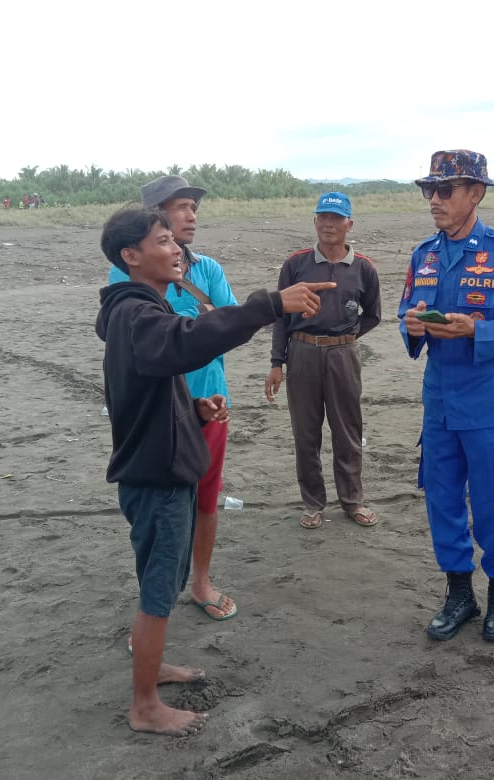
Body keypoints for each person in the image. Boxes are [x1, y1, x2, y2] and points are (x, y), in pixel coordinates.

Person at [97, 207, 333, 736]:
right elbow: (188, 339)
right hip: (155, 478)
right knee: (159, 591)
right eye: (162, 240)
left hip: (162, 466)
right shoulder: (136, 315)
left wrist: (194, 409)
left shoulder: (141, 309)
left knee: (167, 579)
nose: (175, 249)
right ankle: (145, 707)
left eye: (174, 240)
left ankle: (153, 667)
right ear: (131, 256)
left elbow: (151, 385)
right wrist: (270, 305)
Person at [398, 150, 494, 643]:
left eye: (445, 190)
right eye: (430, 190)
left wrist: (476, 331)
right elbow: (407, 311)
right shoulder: (423, 255)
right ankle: (460, 595)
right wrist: (413, 325)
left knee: (493, 507)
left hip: (491, 408)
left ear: (476, 193)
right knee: (443, 502)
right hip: (440, 407)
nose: (434, 200)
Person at [109, 174, 240, 621]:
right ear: (153, 218)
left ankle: (200, 580)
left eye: (193, 207)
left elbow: (228, 327)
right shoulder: (126, 270)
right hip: (159, 413)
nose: (191, 216)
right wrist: (202, 322)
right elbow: (140, 337)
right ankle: (155, 600)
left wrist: (197, 326)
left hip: (211, 400)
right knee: (159, 510)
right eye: (180, 207)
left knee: (207, 497)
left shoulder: (208, 268)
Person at [265, 192, 382, 530]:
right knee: (305, 432)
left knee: (347, 430)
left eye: (336, 218)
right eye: (323, 217)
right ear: (315, 221)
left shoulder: (363, 267)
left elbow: (373, 315)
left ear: (349, 224)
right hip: (301, 353)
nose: (329, 224)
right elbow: (280, 317)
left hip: (344, 356)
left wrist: (345, 337)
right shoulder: (296, 264)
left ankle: (352, 500)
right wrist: (277, 363)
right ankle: (313, 503)